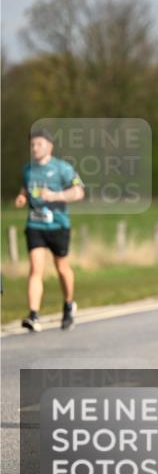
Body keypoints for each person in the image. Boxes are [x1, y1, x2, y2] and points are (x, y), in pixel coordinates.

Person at [16, 128, 85, 332]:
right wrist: (22, 197)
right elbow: (25, 188)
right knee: (35, 268)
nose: (35, 148)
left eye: (39, 144)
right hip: (35, 225)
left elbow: (79, 191)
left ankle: (68, 304)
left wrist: (55, 196)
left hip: (58, 225)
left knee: (61, 268)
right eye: (32, 144)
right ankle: (33, 315)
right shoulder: (28, 169)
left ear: (50, 146)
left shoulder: (62, 168)